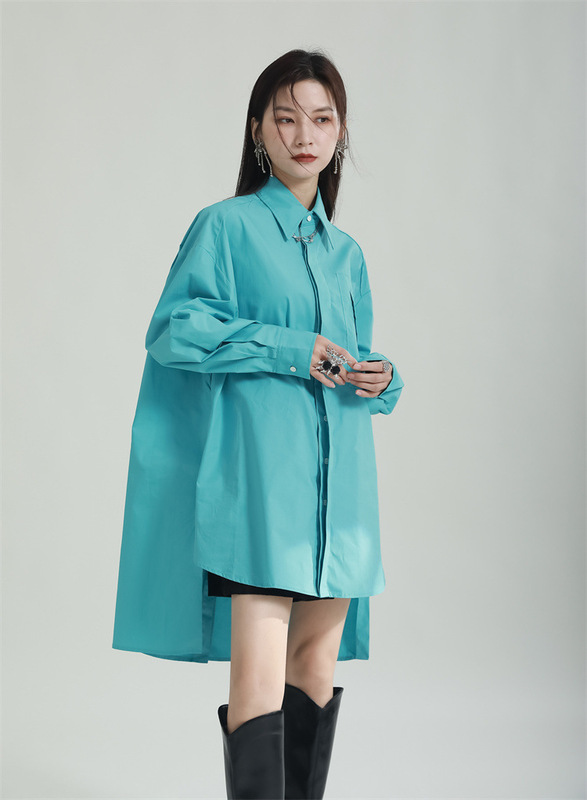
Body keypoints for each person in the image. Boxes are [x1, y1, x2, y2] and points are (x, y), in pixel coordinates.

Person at [112, 48, 404, 799]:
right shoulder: (225, 227)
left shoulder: (347, 256)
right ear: (257, 131)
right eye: (286, 119)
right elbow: (175, 331)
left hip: (339, 496)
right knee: (262, 672)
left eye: (322, 119)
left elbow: (352, 358)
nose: (304, 135)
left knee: (314, 669)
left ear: (340, 134)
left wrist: (381, 377)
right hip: (259, 487)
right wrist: (288, 347)